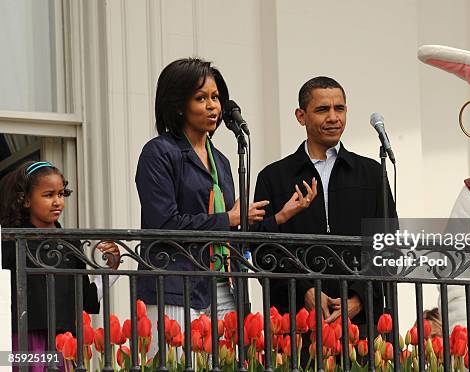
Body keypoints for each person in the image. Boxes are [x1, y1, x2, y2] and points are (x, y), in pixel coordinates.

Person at [135, 58, 268, 354]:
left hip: (222, 283)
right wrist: (228, 217)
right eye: (201, 98)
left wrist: (274, 215)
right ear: (179, 105)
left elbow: (231, 224)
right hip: (175, 283)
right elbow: (163, 223)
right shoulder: (159, 153)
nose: (213, 106)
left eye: (216, 97)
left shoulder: (220, 159)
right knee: (179, 360)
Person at [253, 76, 397, 327]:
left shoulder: (371, 173)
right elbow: (261, 249)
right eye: (322, 109)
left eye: (339, 108)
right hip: (296, 323)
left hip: (359, 325)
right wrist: (304, 291)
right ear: (301, 116)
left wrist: (359, 297)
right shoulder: (273, 177)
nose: (333, 117)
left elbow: (388, 243)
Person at [0, 161, 120, 371]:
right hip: (23, 340)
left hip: (63, 342)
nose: (57, 202)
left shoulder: (71, 243)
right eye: (48, 195)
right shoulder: (10, 242)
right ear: (26, 200)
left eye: (61, 194)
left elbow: (86, 299)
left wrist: (111, 269)